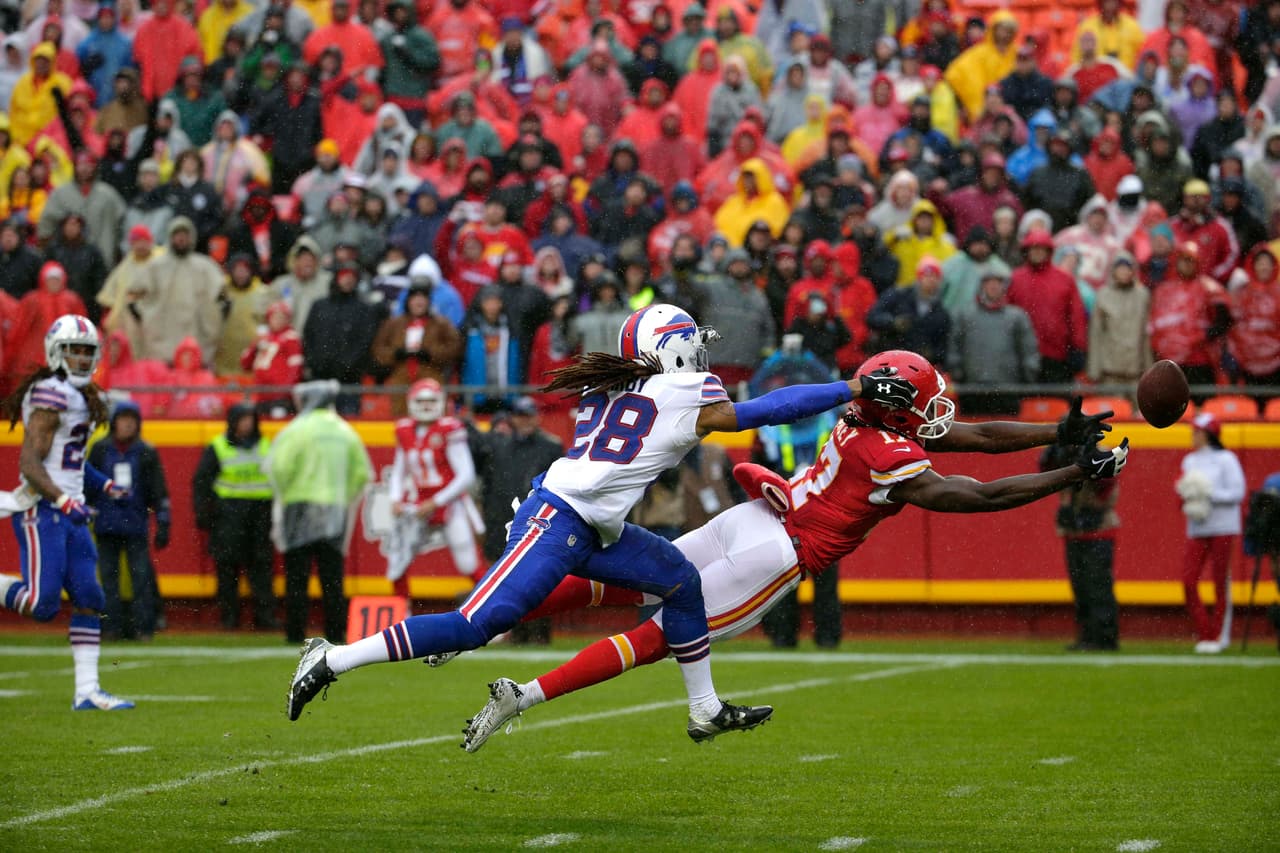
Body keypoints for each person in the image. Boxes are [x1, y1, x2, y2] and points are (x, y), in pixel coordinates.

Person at [287, 303, 921, 741]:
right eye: (691, 343)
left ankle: (703, 708)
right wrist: (850, 389)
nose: (699, 353)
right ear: (670, 351)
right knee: (472, 627)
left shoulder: (616, 390)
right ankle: (333, 657)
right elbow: (764, 410)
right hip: (560, 520)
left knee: (679, 579)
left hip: (590, 522)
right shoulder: (679, 393)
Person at [459, 354, 1129, 752]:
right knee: (658, 636)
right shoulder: (889, 450)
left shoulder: (859, 415)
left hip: (752, 515)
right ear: (897, 408)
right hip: (779, 550)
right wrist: (1072, 473)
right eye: (922, 402)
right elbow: (973, 493)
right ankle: (525, 695)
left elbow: (973, 435)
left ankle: (480, 620)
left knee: (625, 584)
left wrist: (1060, 431)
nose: (933, 413)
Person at [0, 315, 135, 709]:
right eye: (74, 350)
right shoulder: (50, 394)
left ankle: (87, 690)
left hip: (71, 512)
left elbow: (72, 462)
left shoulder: (85, 396)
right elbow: (30, 463)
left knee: (91, 595)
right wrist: (62, 500)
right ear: (57, 352)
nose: (80, 358)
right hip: (43, 511)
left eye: (87, 351)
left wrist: (105, 485)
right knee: (42, 605)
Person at [269, 380, 372, 644]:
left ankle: (295, 633)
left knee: (297, 577)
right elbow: (361, 473)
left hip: (299, 505)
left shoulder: (296, 430)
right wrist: (342, 494)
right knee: (332, 577)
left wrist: (289, 490)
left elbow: (279, 467)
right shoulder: (344, 431)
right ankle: (336, 633)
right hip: (334, 508)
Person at [86, 400, 171, 641]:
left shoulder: (146, 452)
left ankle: (144, 628)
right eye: (123, 419)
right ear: (114, 422)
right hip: (106, 524)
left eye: (132, 420)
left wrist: (164, 523)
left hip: (135, 525)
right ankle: (110, 628)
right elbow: (88, 485)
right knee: (108, 581)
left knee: (141, 579)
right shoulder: (101, 450)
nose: (128, 424)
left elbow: (158, 490)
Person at [384, 378, 482, 586]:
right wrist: (394, 499)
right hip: (419, 501)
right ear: (411, 403)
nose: (426, 406)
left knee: (467, 562)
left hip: (449, 502)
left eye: (431, 401)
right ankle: (403, 613)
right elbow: (399, 470)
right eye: (420, 401)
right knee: (398, 560)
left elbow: (466, 474)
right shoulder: (405, 430)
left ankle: (490, 610)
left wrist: (436, 501)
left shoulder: (449, 429)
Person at [193, 402, 280, 630]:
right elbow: (201, 482)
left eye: (250, 419)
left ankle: (265, 618)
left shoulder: (265, 445)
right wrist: (204, 514)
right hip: (228, 516)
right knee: (227, 570)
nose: (247, 424)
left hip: (260, 515)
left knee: (261, 568)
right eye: (243, 419)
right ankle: (229, 618)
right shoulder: (218, 446)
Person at [1176, 412, 1246, 654]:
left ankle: (1218, 636)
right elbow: (1185, 491)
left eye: (1196, 431)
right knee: (1188, 580)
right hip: (1198, 527)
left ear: (1208, 434)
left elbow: (1238, 493)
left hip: (1223, 527)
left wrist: (1208, 494)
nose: (1192, 435)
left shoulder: (1226, 459)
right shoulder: (1189, 461)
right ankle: (1204, 632)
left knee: (1219, 582)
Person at [1042, 442, 1120, 651]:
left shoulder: (1101, 455)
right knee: (1082, 587)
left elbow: (1105, 484)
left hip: (1098, 529)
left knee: (1097, 585)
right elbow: (1044, 468)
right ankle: (1088, 635)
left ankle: (1104, 636)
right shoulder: (1067, 456)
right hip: (1075, 531)